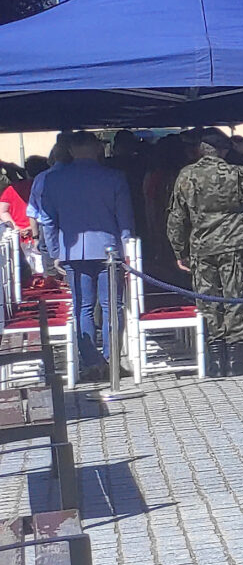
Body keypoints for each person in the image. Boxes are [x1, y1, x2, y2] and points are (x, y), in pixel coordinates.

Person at [167, 133, 243, 376]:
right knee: (236, 298)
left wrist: (179, 250)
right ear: (224, 150)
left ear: (201, 150)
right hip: (234, 244)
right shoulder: (236, 173)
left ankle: (216, 359)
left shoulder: (186, 175)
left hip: (201, 246)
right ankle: (235, 358)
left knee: (208, 300)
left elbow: (177, 217)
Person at [31, 131, 135, 382]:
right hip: (109, 249)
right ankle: (111, 361)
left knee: (82, 307)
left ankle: (91, 362)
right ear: (97, 149)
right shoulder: (114, 177)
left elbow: (48, 221)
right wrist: (128, 249)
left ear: (70, 150)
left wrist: (55, 252)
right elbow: (125, 220)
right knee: (112, 307)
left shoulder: (53, 179)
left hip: (72, 250)